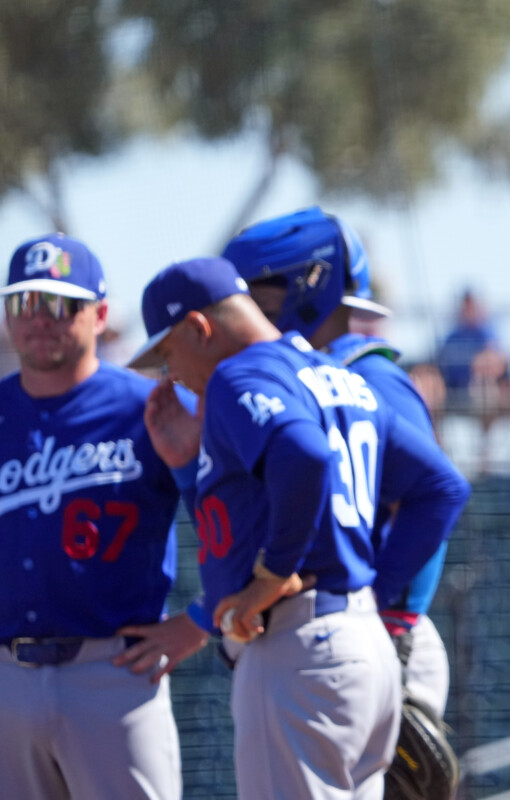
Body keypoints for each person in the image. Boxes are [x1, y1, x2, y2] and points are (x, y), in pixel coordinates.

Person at [126, 256, 471, 799]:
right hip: (360, 645)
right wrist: (372, 597)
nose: (171, 374)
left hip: (299, 650)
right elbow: (443, 485)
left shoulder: (239, 375)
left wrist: (272, 572)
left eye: (167, 353)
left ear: (199, 328)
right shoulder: (339, 377)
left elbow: (304, 454)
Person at [221, 205, 459, 726]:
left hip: (381, 635)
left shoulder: (365, 375)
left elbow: (438, 494)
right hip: (326, 634)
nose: (240, 309)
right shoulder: (290, 376)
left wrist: (383, 606)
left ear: (307, 286)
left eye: (257, 292)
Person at [0, 233, 205, 800]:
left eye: (61, 304)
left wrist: (203, 618)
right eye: (24, 302)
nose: (40, 319)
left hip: (114, 673)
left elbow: (231, 509)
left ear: (101, 315)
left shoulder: (149, 405)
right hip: (7, 677)